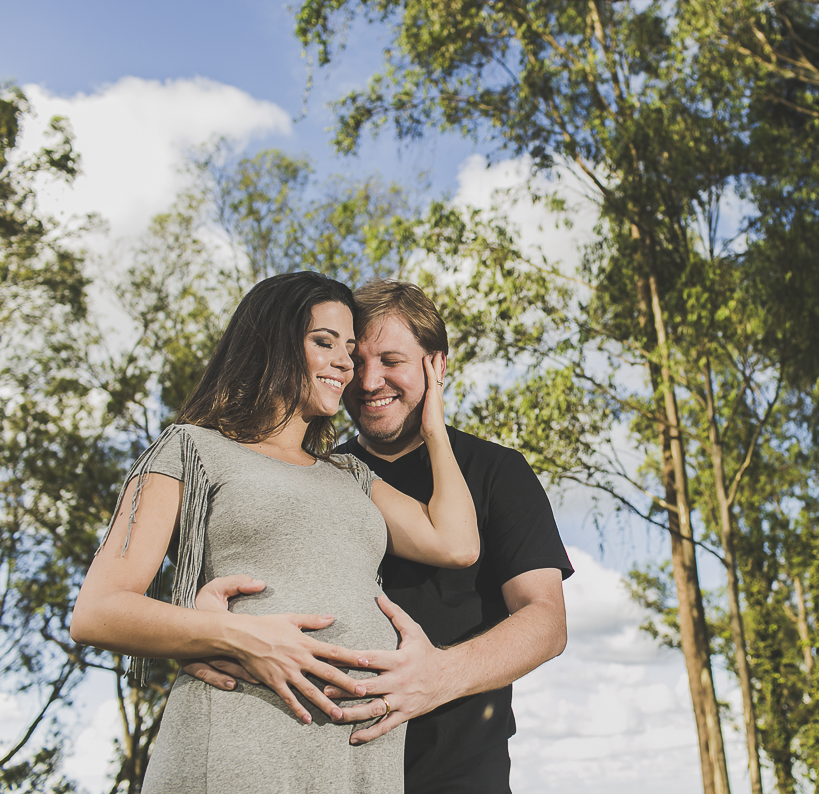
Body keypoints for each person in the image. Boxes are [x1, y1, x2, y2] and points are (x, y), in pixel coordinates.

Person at [70, 271, 479, 794]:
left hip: (356, 756)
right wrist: (240, 636)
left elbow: (457, 543)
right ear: (273, 343)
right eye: (323, 342)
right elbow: (97, 611)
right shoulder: (192, 449)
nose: (345, 363)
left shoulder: (349, 474)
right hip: (243, 739)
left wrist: (434, 425)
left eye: (349, 348)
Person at [188, 279, 575, 793]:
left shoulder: (496, 471)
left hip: (457, 772)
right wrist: (200, 633)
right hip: (317, 764)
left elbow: (546, 622)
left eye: (391, 360)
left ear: (435, 365)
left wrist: (439, 676)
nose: (370, 382)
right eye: (356, 360)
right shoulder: (320, 470)